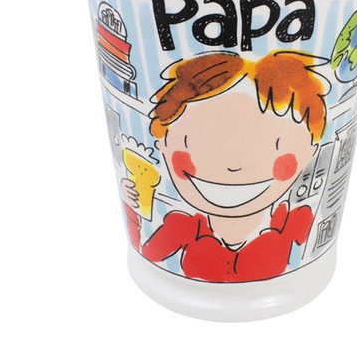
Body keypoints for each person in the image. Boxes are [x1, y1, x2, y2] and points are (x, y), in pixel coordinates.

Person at [122, 50, 329, 282]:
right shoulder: (180, 228)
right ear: (163, 143)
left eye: (272, 145)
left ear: (310, 150)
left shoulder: (296, 222)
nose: (234, 165)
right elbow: (148, 250)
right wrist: (134, 206)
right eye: (201, 141)